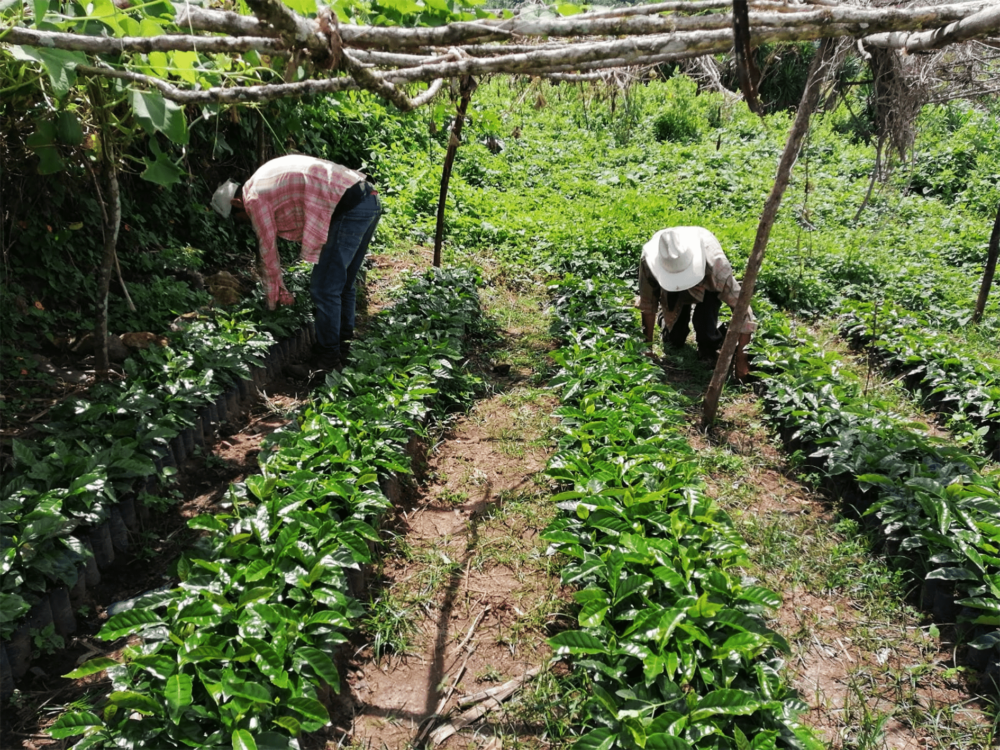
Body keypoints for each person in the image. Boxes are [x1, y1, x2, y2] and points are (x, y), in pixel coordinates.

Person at [211, 154, 382, 373]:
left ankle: (327, 360)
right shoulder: (260, 179)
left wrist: (273, 299)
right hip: (368, 198)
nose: (244, 224)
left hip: (349, 209)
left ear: (237, 203)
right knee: (344, 283)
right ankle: (342, 346)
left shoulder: (253, 199)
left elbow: (267, 251)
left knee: (324, 288)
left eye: (238, 218)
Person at [637, 226, 755, 379]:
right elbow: (648, 303)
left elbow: (742, 309)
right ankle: (665, 318)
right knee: (674, 339)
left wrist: (741, 359)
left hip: (707, 286)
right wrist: (647, 347)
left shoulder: (716, 266)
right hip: (671, 291)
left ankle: (710, 339)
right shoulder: (649, 261)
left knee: (707, 338)